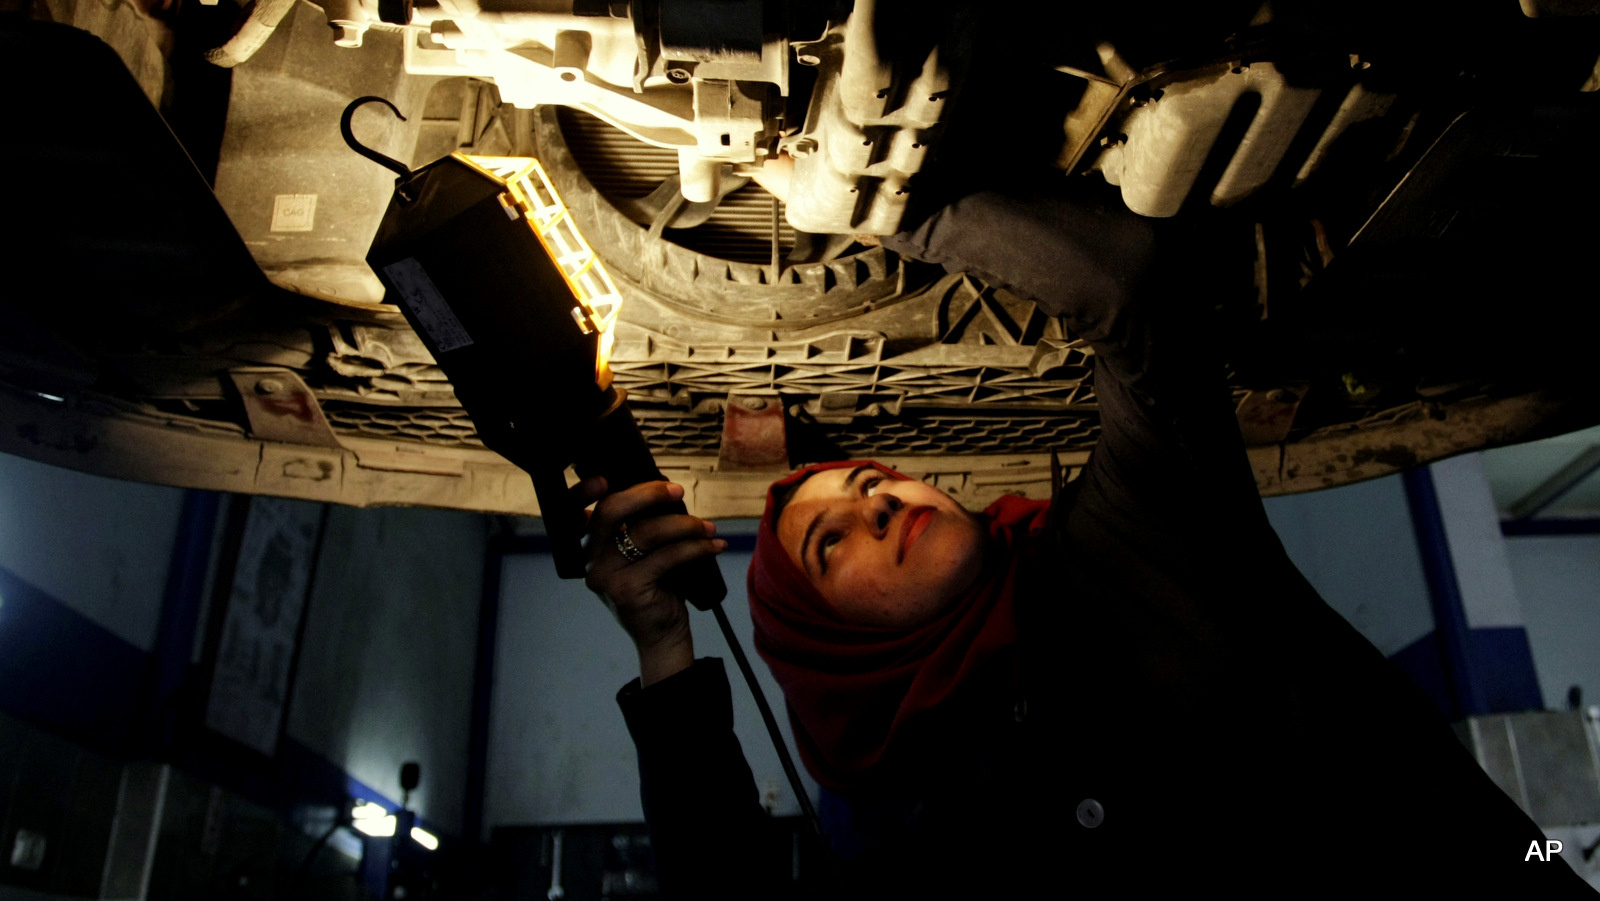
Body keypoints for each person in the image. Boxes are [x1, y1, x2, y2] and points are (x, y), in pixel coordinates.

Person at [574, 181, 1596, 896]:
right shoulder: (939, 845)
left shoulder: (1134, 536)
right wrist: (665, 650)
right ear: (840, 662)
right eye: (830, 545)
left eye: (871, 478)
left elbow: (1133, 298)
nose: (874, 504)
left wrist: (879, 203)